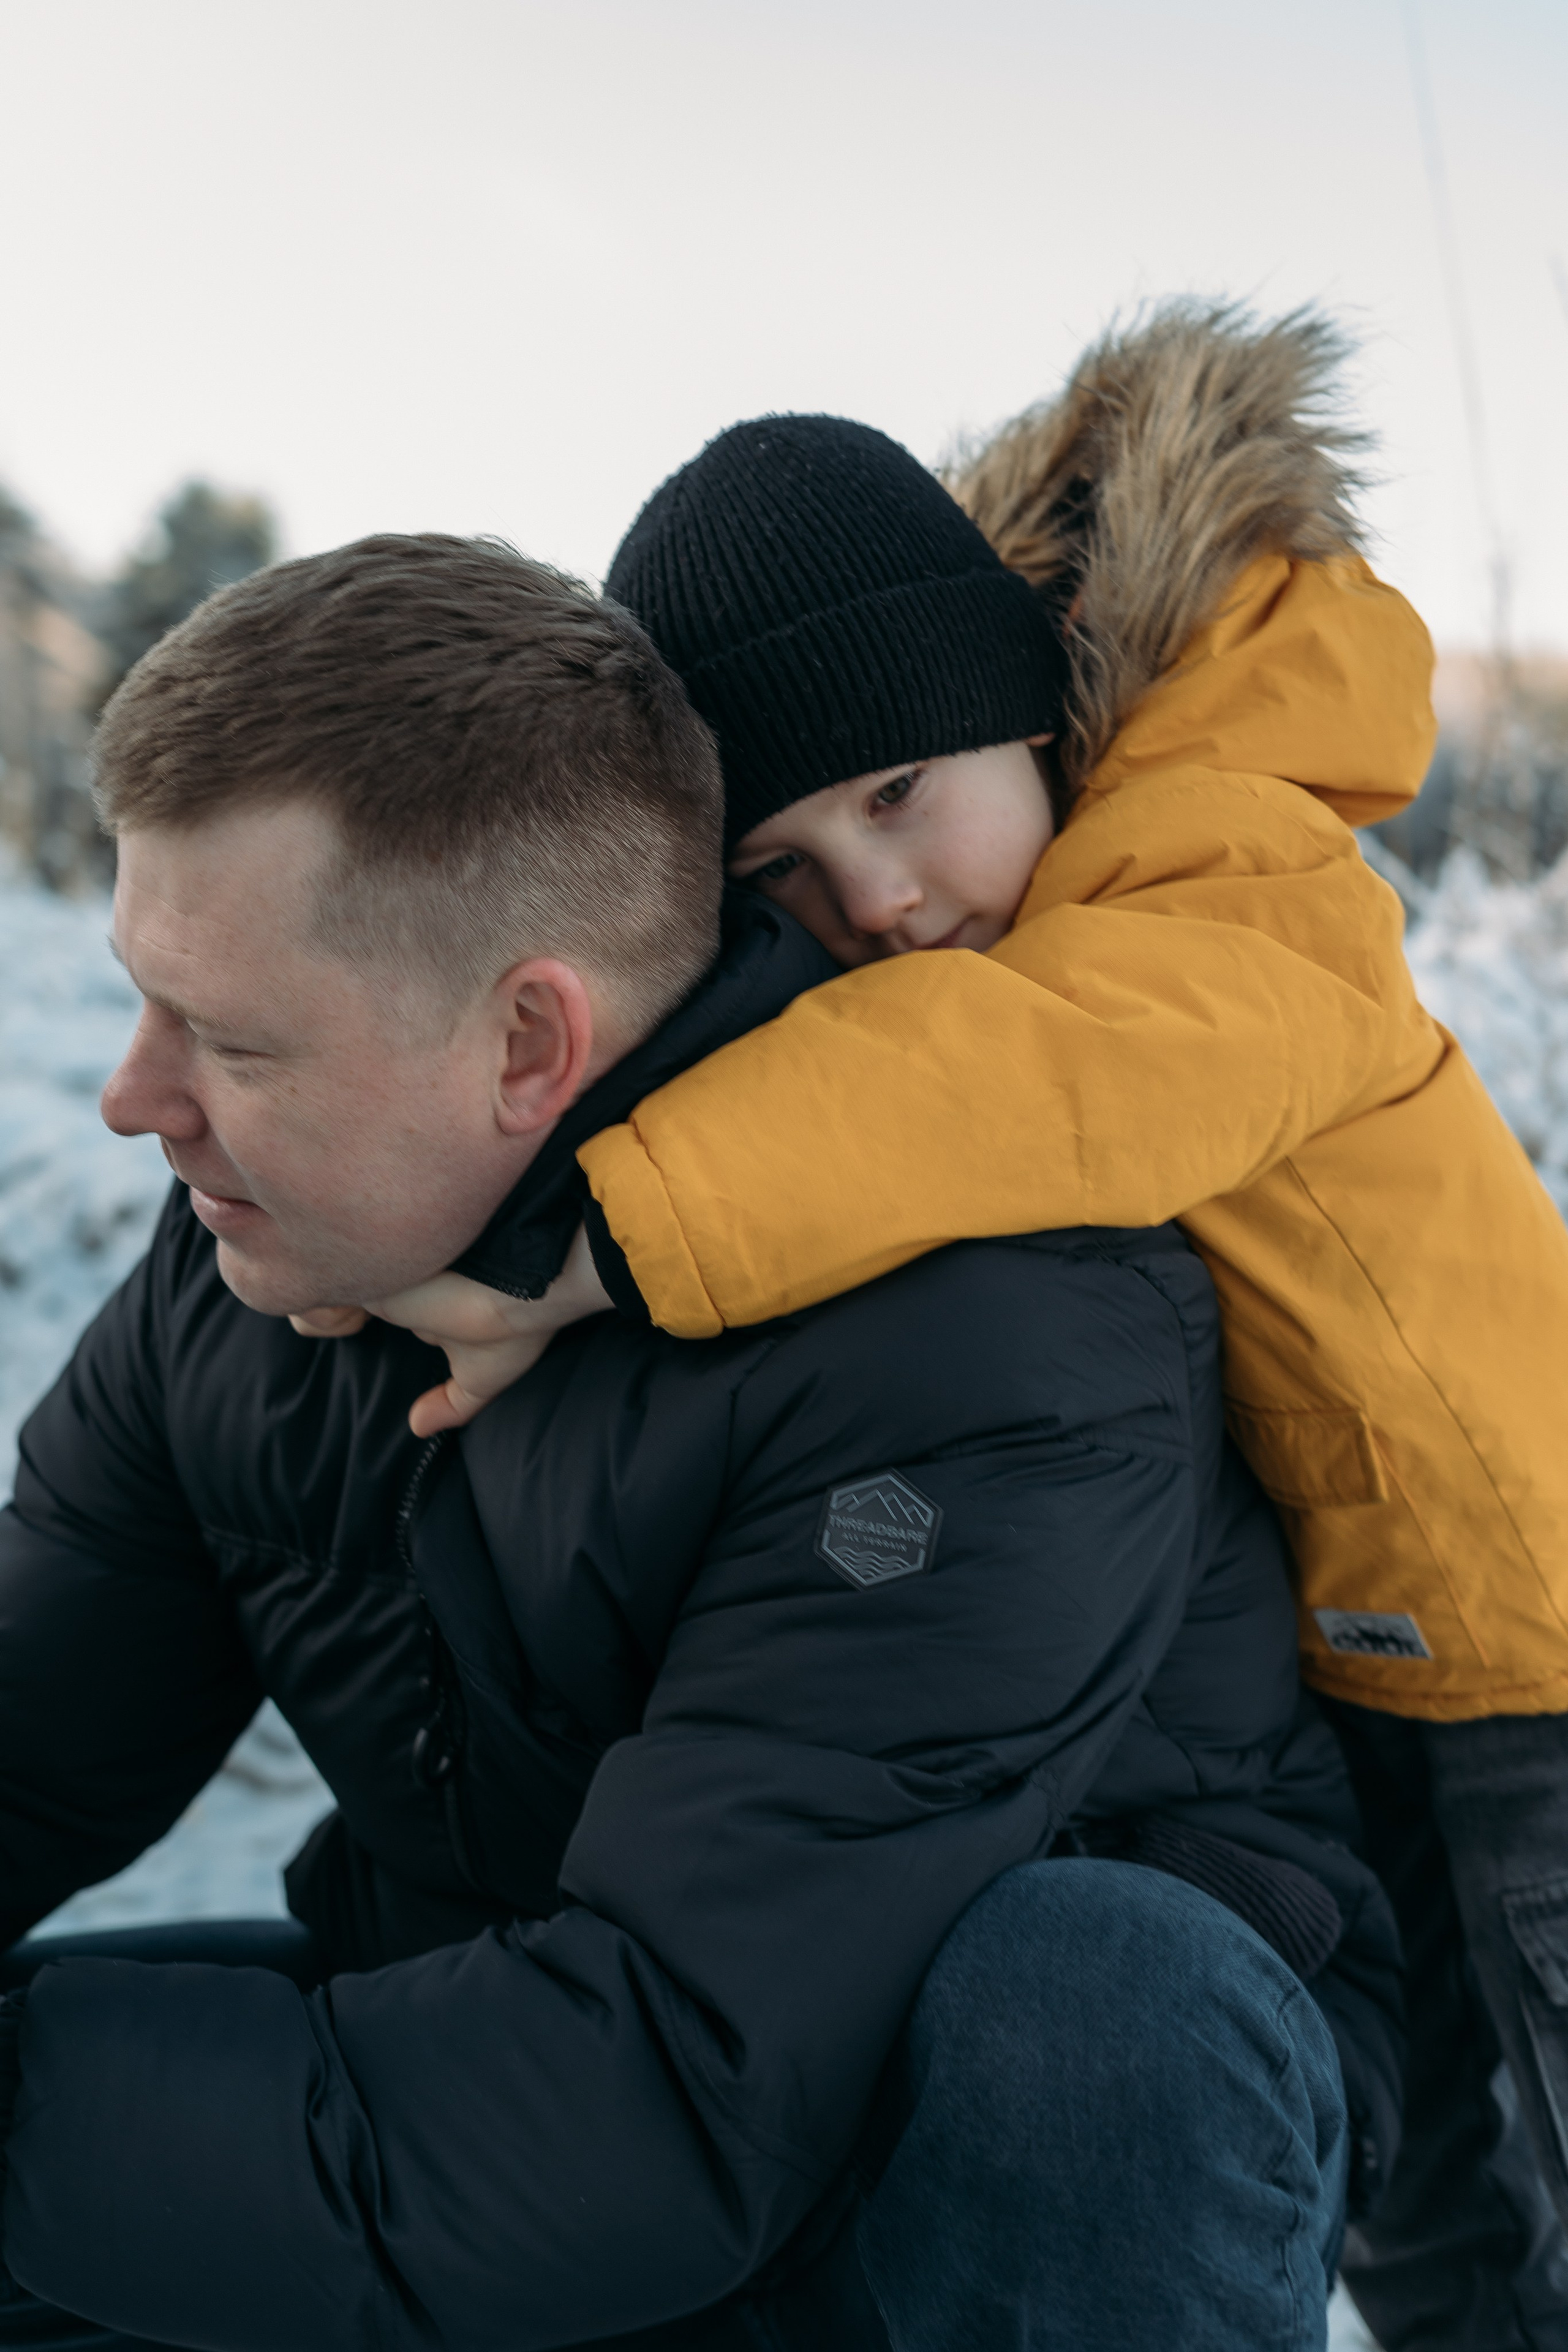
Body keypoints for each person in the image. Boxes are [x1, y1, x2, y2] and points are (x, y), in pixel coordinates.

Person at [0, 533, 1398, 2351]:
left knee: (1091, 2004)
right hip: (519, 2073)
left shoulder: (987, 1334)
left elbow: (670, 2091)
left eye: (231, 1039)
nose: (136, 1099)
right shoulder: (259, 1269)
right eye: (140, 995)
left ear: (528, 1042)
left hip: (916, 2165)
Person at [357, 306, 1568, 2350]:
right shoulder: (1057, 900)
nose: (883, 900)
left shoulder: (1223, 874)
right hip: (1385, 1667)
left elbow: (1017, 1079)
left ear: (1027, 713)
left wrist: (603, 1234)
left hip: (1529, 1651)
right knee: (1440, 2223)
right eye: (795, 868)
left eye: (905, 795)